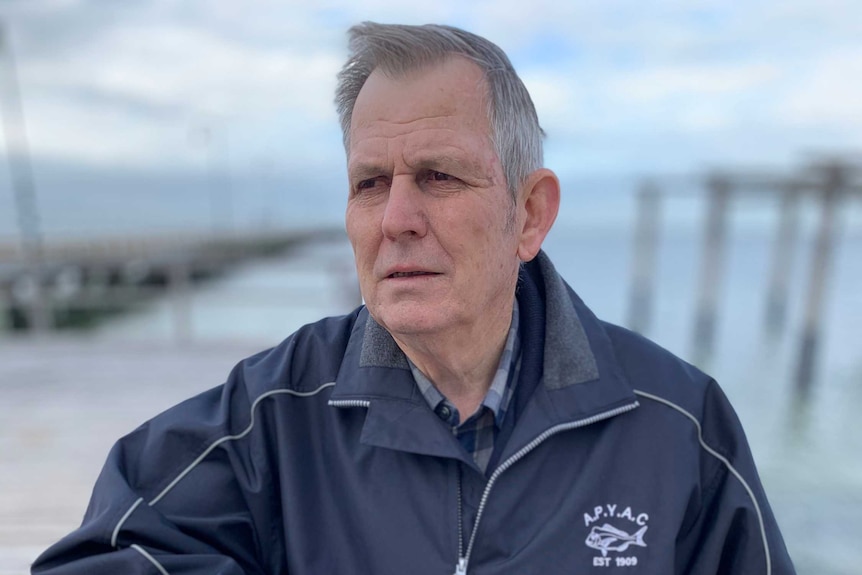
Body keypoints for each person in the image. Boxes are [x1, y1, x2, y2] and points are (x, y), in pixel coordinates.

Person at [32, 22, 796, 575]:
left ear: (529, 214)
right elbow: (103, 553)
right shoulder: (275, 416)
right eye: (371, 183)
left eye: (438, 176)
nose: (397, 218)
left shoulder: (676, 425)